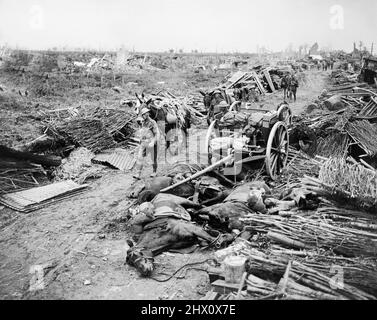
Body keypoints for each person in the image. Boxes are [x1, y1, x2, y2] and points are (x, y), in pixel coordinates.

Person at [133, 108, 160, 179]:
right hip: (144, 143)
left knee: (153, 159)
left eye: (145, 114)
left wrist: (153, 142)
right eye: (143, 114)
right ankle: (138, 174)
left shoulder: (152, 122)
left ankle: (154, 171)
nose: (144, 115)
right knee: (140, 157)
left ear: (147, 114)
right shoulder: (142, 122)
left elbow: (157, 134)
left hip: (152, 143)